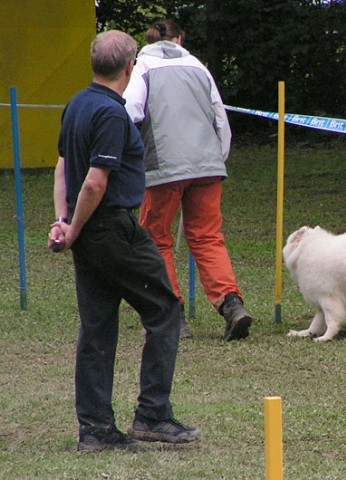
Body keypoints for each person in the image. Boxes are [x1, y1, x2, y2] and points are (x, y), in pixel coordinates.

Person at [47, 30, 200, 453]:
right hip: (112, 228)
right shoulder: (112, 115)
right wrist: (75, 226)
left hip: (87, 236)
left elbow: (63, 168)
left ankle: (95, 430)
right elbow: (95, 183)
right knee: (165, 309)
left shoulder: (77, 104)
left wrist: (63, 221)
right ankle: (153, 414)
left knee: (97, 328)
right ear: (130, 67)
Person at [123, 19, 252, 341]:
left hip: (164, 166)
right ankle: (231, 303)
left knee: (155, 239)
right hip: (207, 165)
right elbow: (220, 118)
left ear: (147, 42)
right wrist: (216, 159)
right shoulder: (198, 67)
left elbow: (130, 112)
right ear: (179, 39)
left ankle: (171, 315)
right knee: (208, 237)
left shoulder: (142, 67)